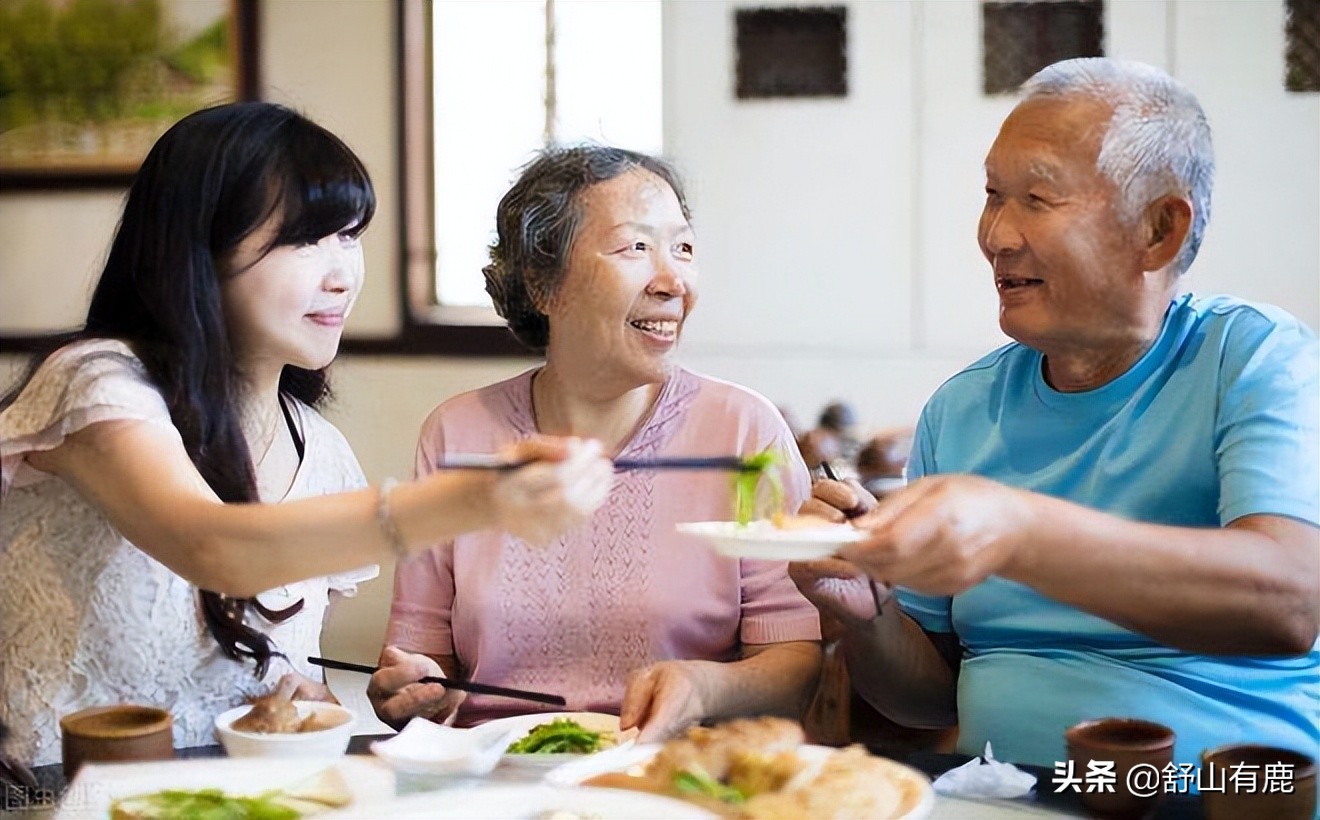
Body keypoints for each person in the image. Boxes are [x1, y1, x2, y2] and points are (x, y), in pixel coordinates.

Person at [0, 103, 614, 767]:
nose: (342, 274)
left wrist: (315, 704)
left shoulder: (319, 451)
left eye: (349, 236)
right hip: (57, 797)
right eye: (304, 240)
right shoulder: (99, 384)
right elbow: (212, 546)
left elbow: (270, 683)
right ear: (200, 246)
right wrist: (478, 500)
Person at [791, 58, 1318, 768]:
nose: (996, 235)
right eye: (991, 194)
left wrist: (1017, 531)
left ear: (1158, 230)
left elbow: (1288, 603)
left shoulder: (1254, 357)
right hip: (998, 797)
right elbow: (926, 699)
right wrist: (866, 610)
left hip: (1219, 799)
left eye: (1036, 199)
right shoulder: (961, 408)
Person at [369, 145, 822, 741]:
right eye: (637, 247)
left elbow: (795, 662)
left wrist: (705, 686)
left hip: (670, 777)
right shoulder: (459, 433)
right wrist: (415, 685)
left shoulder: (744, 430)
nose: (672, 281)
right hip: (498, 776)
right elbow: (421, 661)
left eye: (682, 248)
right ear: (542, 285)